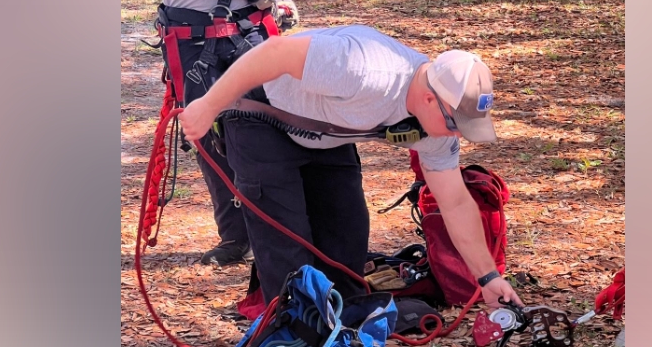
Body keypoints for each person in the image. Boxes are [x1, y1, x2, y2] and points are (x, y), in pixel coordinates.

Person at [180, 25, 524, 310]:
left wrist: (488, 278)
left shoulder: (435, 126)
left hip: (326, 131)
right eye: (455, 124)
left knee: (346, 244)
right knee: (289, 254)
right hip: (262, 112)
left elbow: (456, 203)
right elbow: (274, 52)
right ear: (430, 98)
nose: (456, 134)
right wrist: (209, 105)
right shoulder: (365, 70)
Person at [159, 0, 304, 266]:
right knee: (206, 132)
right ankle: (234, 236)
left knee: (268, 125)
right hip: (195, 35)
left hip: (248, 29)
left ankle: (275, 228)